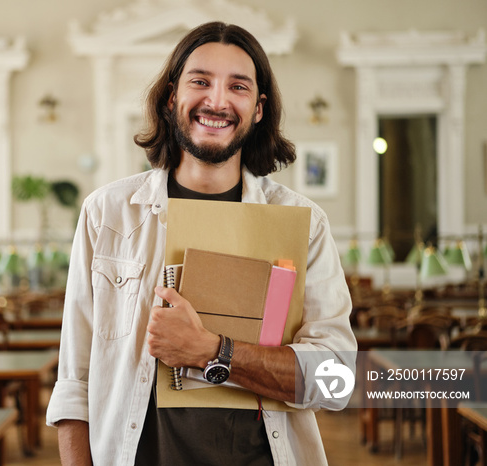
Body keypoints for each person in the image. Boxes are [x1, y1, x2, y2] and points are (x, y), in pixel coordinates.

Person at [46, 21, 357, 465]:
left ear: (258, 109)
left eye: (238, 86)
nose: (217, 100)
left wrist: (214, 351)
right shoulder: (107, 214)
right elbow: (75, 383)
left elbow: (336, 381)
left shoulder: (304, 225)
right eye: (201, 81)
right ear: (172, 96)